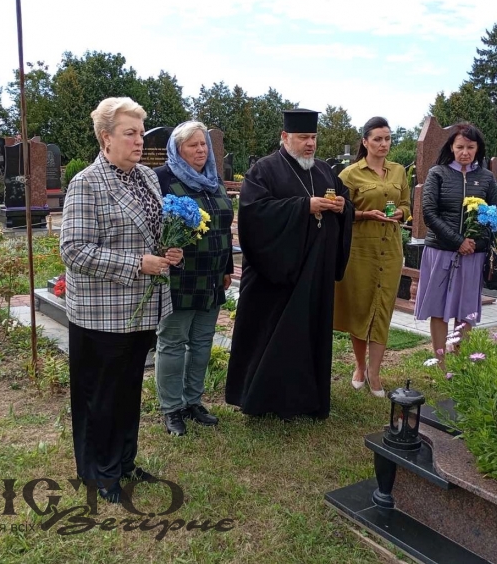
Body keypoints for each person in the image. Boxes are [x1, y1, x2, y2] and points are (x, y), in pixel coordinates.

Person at [60, 97, 182, 503]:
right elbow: (74, 250)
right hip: (102, 315)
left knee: (129, 392)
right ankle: (99, 474)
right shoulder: (87, 183)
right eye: (130, 133)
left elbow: (154, 229)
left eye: (140, 132)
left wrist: (168, 251)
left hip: (143, 309)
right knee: (101, 398)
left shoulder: (146, 176)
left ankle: (124, 461)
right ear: (105, 137)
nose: (139, 140)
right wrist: (138, 264)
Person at [225, 109, 354, 420]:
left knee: (308, 337)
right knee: (272, 338)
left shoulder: (324, 171)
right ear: (285, 138)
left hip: (314, 274)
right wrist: (302, 207)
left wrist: (342, 207)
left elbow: (347, 203)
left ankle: (306, 401)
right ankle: (262, 401)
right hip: (276, 275)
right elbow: (254, 215)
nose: (310, 144)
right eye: (303, 138)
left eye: (313, 138)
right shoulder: (264, 171)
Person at [153, 121, 234, 436]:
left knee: (201, 342)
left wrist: (226, 268)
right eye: (193, 145)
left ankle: (193, 401)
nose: (201, 151)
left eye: (204, 145)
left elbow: (223, 228)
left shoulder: (213, 181)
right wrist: (163, 249)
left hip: (212, 276)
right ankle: (171, 408)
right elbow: (149, 224)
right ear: (177, 148)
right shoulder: (161, 179)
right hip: (179, 276)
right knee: (173, 342)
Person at [333, 117, 410, 397]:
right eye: (378, 139)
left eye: (388, 138)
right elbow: (339, 210)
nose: (384, 144)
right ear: (365, 141)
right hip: (360, 249)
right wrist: (366, 213)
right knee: (361, 306)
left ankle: (375, 374)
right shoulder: (350, 174)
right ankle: (360, 367)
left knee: (382, 309)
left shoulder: (399, 171)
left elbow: (405, 203)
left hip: (389, 248)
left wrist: (402, 212)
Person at [414, 123, 497, 362]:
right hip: (442, 251)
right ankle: (440, 361)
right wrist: (458, 241)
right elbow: (430, 213)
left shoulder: (485, 177)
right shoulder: (438, 173)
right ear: (451, 148)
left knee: (466, 309)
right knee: (440, 308)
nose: (465, 152)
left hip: (474, 254)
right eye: (460, 147)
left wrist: (477, 241)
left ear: (478, 149)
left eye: (470, 147)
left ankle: (461, 356)